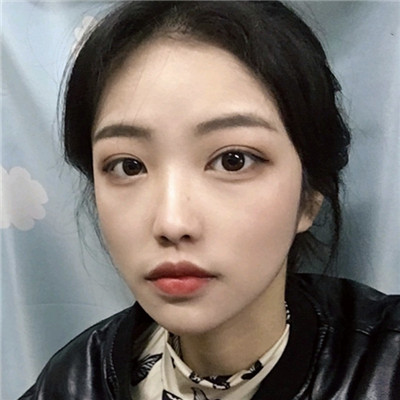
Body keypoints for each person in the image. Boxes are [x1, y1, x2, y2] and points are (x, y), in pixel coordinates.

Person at [19, 1, 399, 399]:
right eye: (128, 166)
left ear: (310, 194)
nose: (172, 223)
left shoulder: (384, 367)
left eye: (233, 160)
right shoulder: (72, 383)